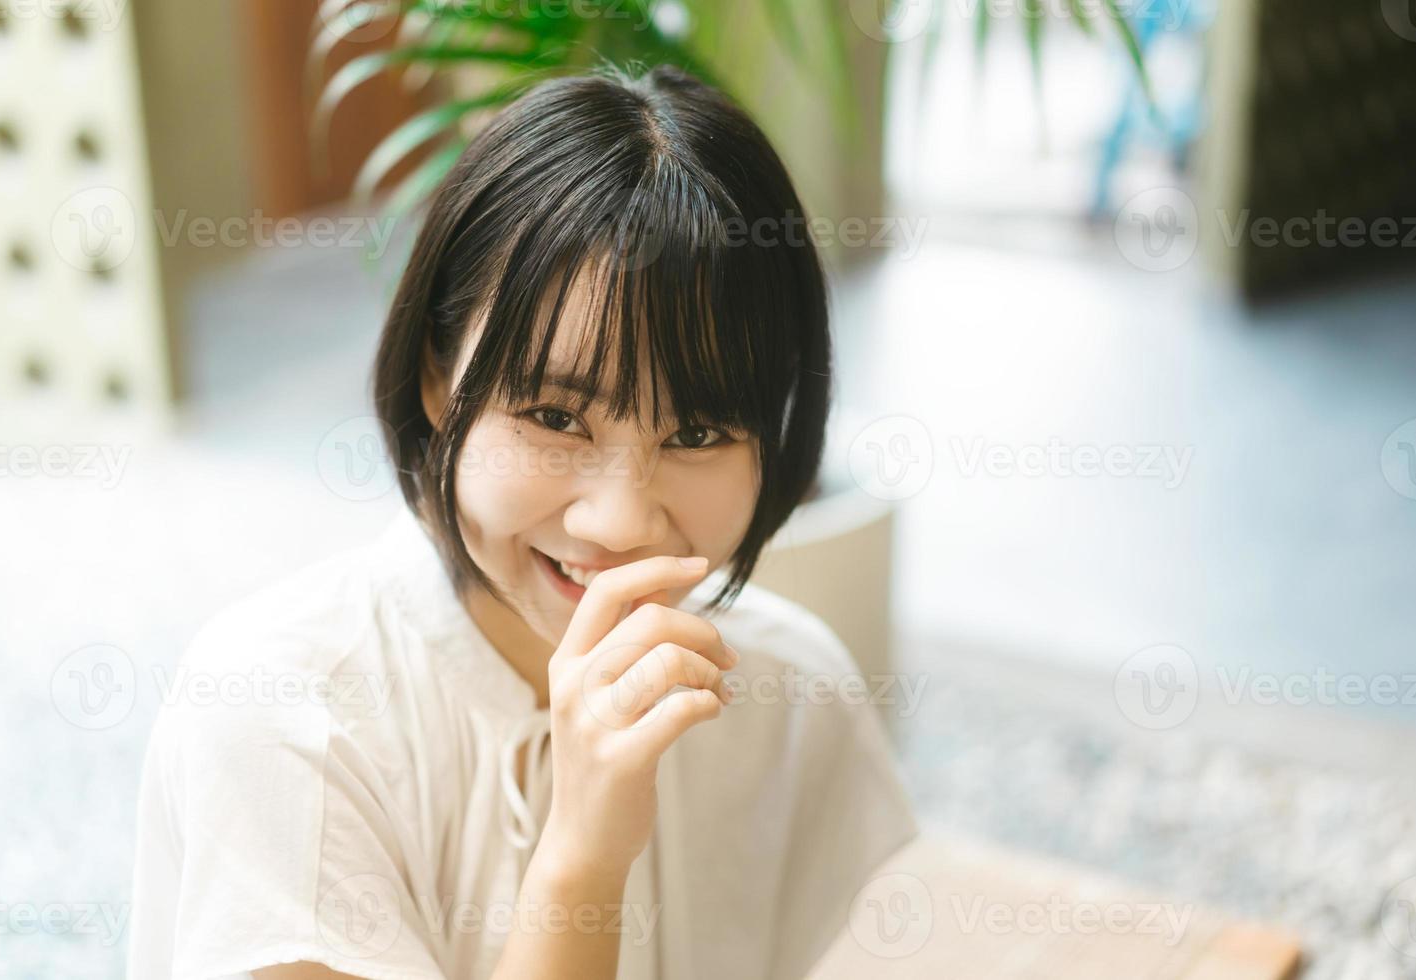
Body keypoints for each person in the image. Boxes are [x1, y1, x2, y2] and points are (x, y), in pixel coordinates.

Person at [126, 63, 918, 980]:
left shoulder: (792, 694)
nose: (619, 522)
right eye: (554, 417)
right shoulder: (281, 715)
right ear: (436, 375)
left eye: (697, 430)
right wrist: (583, 854)